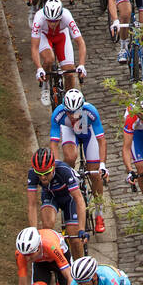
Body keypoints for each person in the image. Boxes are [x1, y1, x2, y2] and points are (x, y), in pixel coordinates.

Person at [49, 90, 108, 234]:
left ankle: (99, 214)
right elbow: (53, 144)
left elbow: (101, 140)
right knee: (69, 157)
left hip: (89, 133)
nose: (72, 115)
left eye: (75, 112)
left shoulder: (91, 111)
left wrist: (102, 165)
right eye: (69, 112)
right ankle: (69, 185)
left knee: (95, 175)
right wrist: (56, 167)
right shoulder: (58, 114)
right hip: (69, 131)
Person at [27, 147, 88, 260]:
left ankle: (79, 266)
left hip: (69, 198)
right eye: (39, 174)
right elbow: (32, 204)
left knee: (74, 238)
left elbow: (79, 200)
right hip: (50, 196)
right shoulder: (32, 173)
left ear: (53, 167)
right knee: (47, 227)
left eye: (46, 173)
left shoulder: (64, 170)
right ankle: (55, 260)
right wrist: (33, 232)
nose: (42, 177)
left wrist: (81, 229)